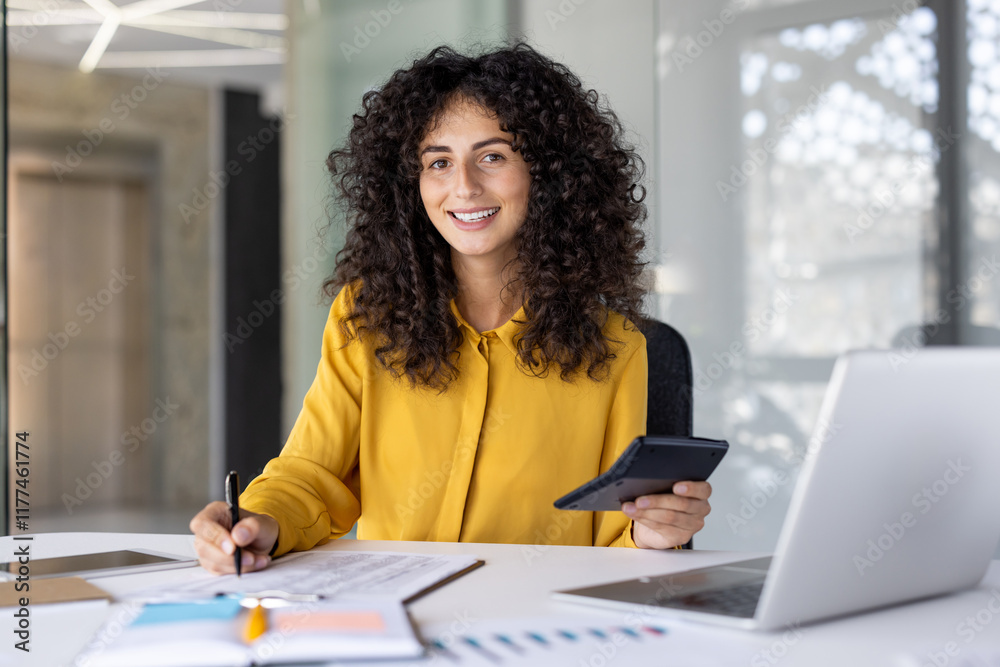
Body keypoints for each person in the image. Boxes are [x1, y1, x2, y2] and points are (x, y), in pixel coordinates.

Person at [190, 42, 712, 575]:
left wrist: (652, 533)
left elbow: (615, 542)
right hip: (390, 612)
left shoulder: (617, 345)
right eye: (438, 162)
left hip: (530, 624)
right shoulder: (366, 317)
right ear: (410, 184)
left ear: (548, 173)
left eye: (493, 156)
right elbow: (310, 475)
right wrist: (257, 522)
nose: (463, 187)